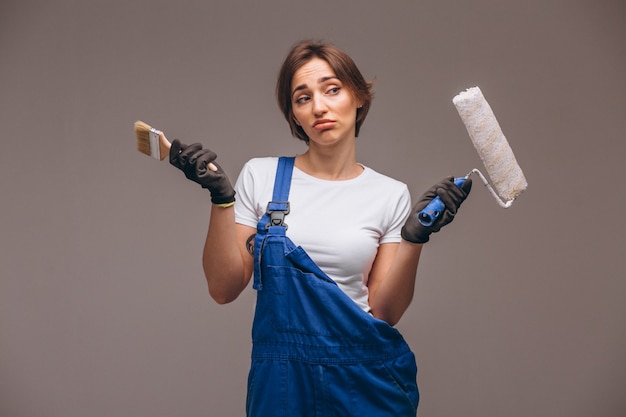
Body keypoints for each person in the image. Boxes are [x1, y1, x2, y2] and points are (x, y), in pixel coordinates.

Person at [169, 40, 472, 417]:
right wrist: (221, 201)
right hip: (281, 381)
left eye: (332, 89)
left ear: (359, 97)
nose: (319, 107)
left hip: (366, 380)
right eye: (303, 98)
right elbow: (223, 289)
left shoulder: (389, 194)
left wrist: (415, 239)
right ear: (294, 115)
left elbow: (385, 311)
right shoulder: (262, 177)